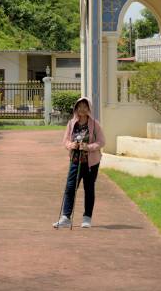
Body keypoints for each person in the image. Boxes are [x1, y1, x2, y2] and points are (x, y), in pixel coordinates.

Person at [53, 96, 106, 229]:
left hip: (91, 163)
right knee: (70, 188)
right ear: (76, 108)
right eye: (79, 106)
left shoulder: (95, 124)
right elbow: (65, 141)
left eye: (85, 106)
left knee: (89, 188)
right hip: (75, 160)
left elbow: (101, 142)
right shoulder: (71, 123)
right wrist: (71, 145)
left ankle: (87, 218)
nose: (82, 109)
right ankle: (65, 217)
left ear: (89, 108)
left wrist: (88, 147)